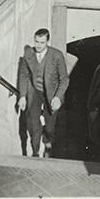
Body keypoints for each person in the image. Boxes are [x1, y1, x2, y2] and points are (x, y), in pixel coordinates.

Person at [17, 28, 69, 158]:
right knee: (33, 125)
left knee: (50, 127)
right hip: (35, 91)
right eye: (36, 42)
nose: (38, 46)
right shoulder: (28, 54)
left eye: (42, 42)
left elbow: (64, 79)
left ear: (47, 42)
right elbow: (23, 75)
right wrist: (22, 96)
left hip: (51, 93)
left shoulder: (56, 55)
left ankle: (48, 142)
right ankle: (35, 153)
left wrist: (57, 97)